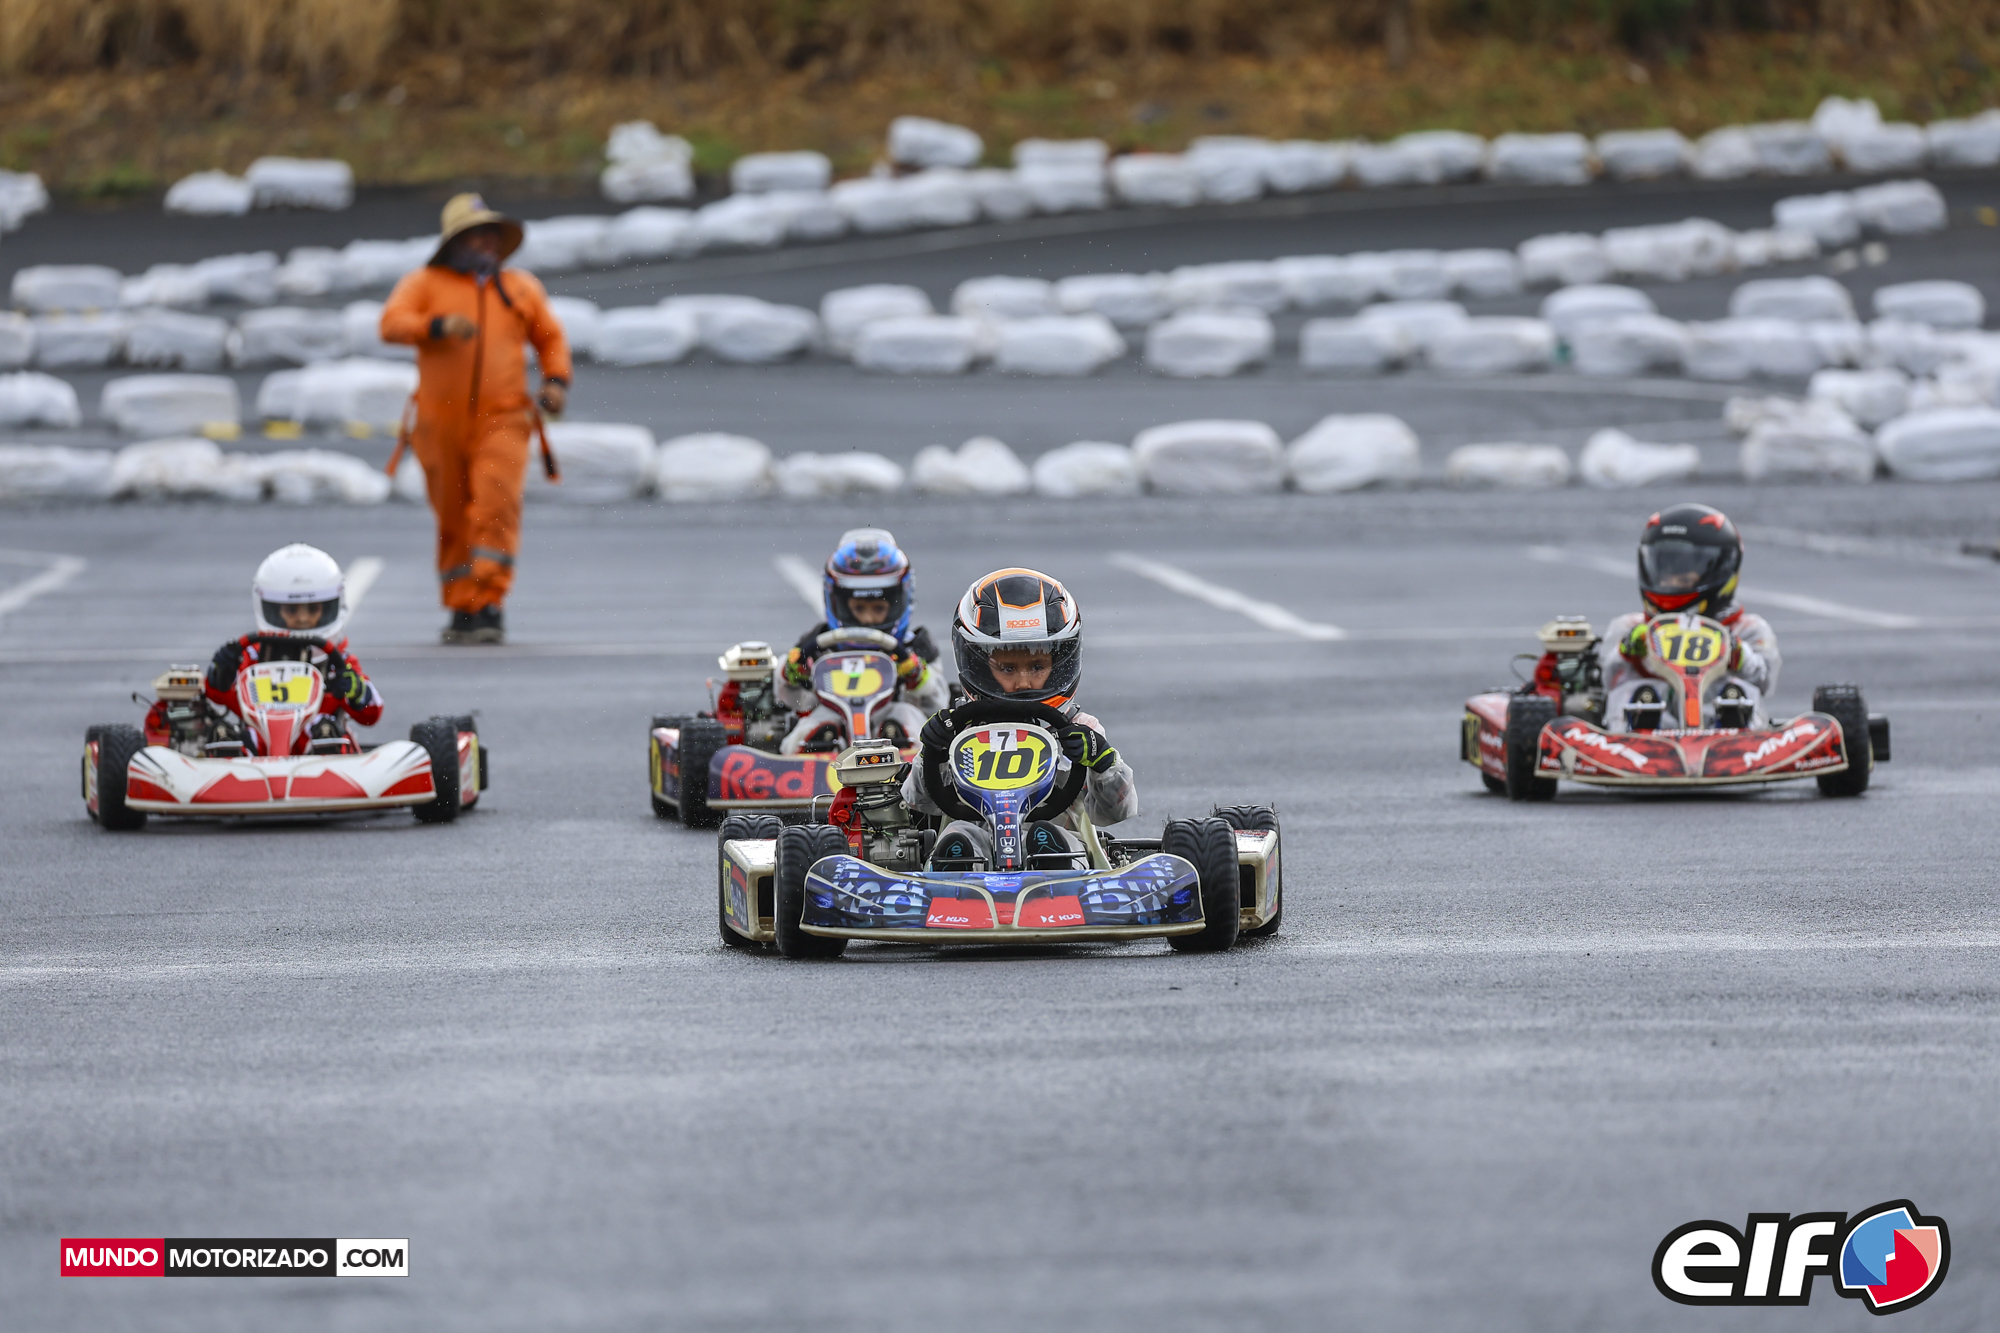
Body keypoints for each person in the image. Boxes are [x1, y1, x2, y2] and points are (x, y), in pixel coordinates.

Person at [381, 193, 572, 645]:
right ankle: (460, 605)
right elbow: (391, 324)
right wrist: (436, 326)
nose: (487, 242)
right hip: (438, 421)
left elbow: (550, 338)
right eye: (476, 234)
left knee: (495, 503)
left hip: (504, 415)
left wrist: (556, 382)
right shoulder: (424, 283)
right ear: (455, 242)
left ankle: (489, 601)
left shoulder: (520, 287)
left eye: (492, 234)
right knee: (452, 514)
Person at [904, 568, 1136, 867]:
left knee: (1050, 835)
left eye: (1037, 667)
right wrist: (932, 753)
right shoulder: (959, 730)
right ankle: (958, 861)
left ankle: (1051, 857)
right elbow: (918, 801)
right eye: (1008, 668)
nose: (1024, 681)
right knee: (959, 834)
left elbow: (1117, 811)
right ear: (979, 665)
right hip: (978, 854)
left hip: (1065, 857)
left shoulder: (1080, 729)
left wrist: (1103, 761)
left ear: (1060, 663)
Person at [172, 544, 384, 755]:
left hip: (318, 755)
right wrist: (220, 673)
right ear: (272, 609)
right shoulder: (252, 656)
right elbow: (218, 695)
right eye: (291, 610)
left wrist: (355, 691)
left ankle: (326, 743)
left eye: (313, 609)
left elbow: (371, 714)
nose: (302, 618)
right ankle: (229, 749)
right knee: (235, 734)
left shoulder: (339, 662)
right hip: (259, 751)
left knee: (327, 728)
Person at [1598, 503, 1781, 728]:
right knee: (1633, 691)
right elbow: (1607, 681)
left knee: (1739, 690)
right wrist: (1627, 651)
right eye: (1665, 571)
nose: (1671, 580)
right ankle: (1639, 727)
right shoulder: (1629, 627)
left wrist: (1737, 652)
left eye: (1684, 576)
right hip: (1648, 733)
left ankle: (1733, 724)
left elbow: (1764, 682)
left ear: (1723, 568)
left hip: (1720, 728)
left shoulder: (1747, 629)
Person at [775, 528, 948, 751]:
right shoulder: (816, 644)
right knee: (810, 725)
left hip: (891, 726)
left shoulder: (914, 647)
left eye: (878, 608)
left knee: (906, 716)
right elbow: (794, 701)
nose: (867, 619)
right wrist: (793, 672)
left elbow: (938, 704)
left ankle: (902, 749)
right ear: (838, 603)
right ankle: (814, 750)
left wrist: (917, 675)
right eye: (858, 608)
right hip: (836, 724)